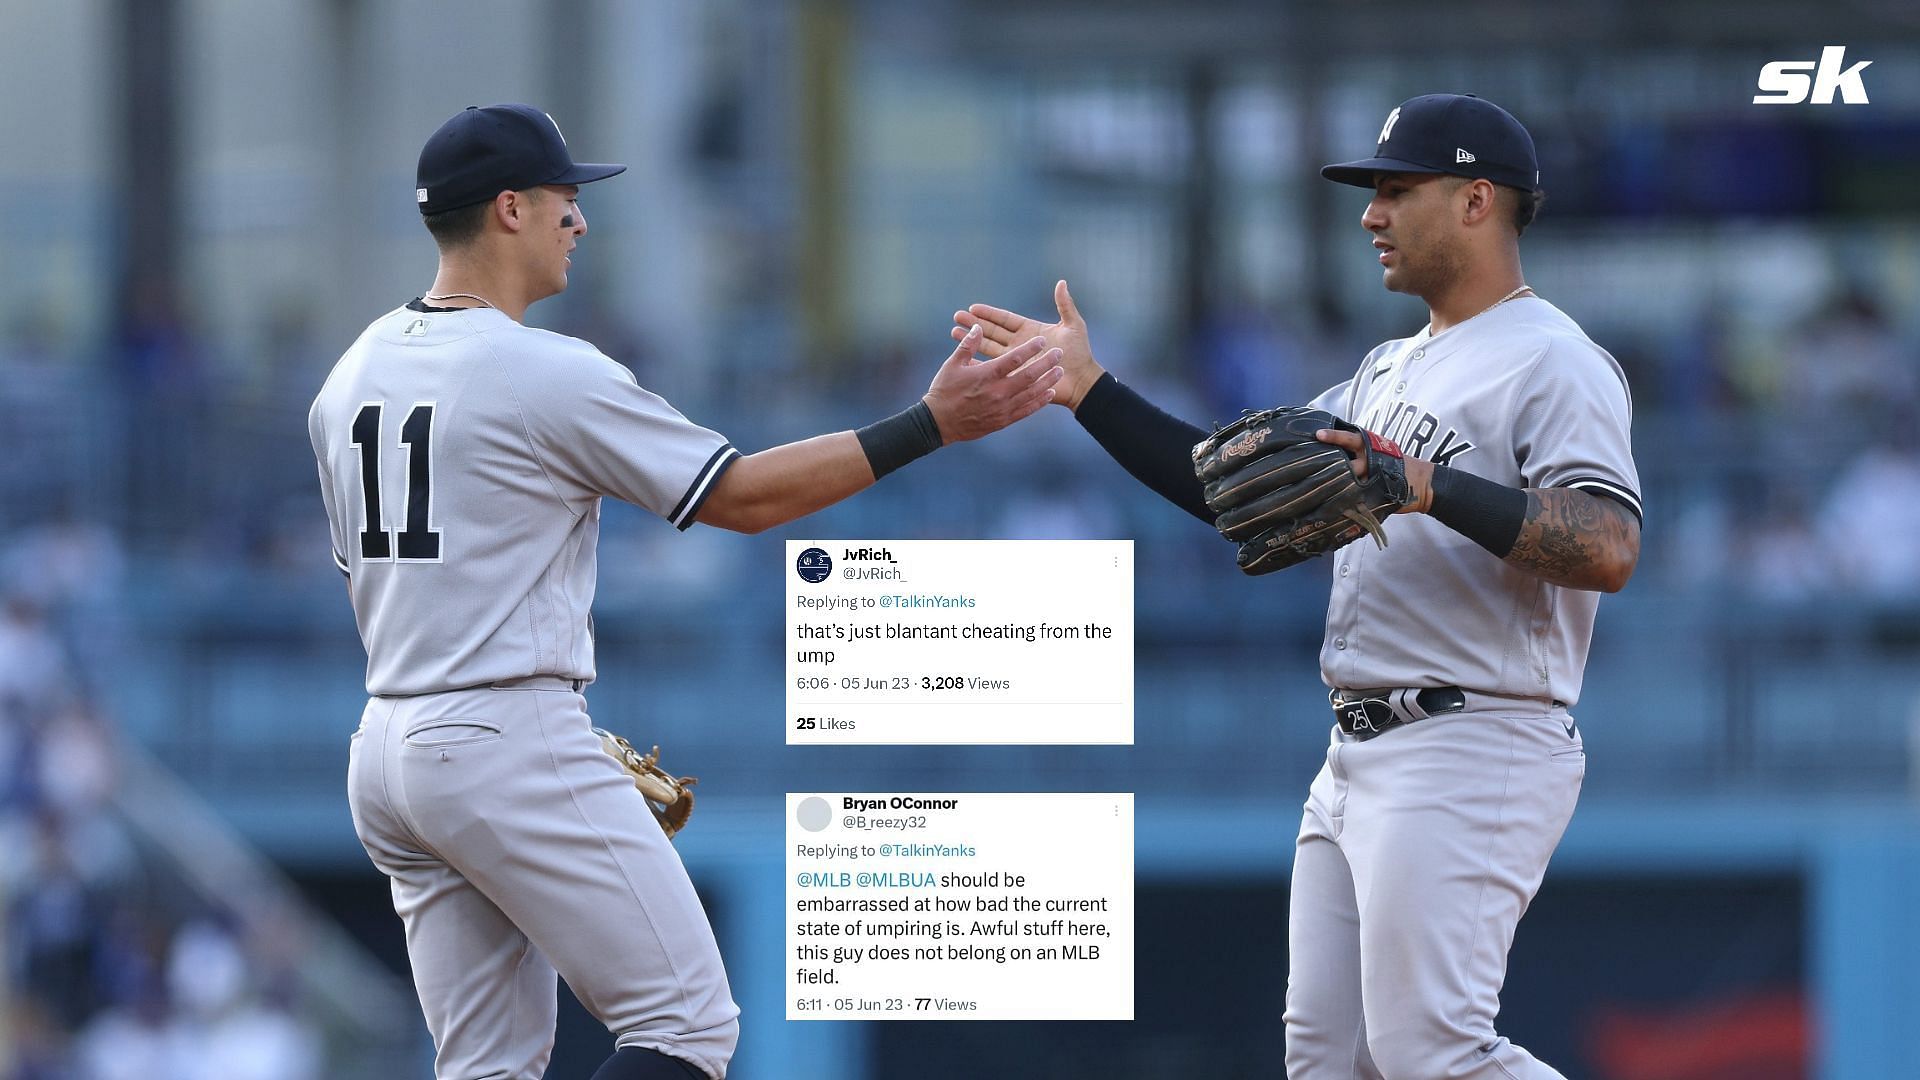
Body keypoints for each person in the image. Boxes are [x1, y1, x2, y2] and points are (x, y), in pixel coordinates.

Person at [308, 103, 1061, 1080]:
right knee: (686, 1024)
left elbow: (374, 574)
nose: (579, 221)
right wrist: (930, 424)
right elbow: (739, 497)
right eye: (563, 201)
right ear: (508, 210)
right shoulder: (540, 370)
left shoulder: (348, 375)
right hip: (502, 732)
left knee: (487, 1068)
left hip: (389, 752)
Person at [956, 93, 1640, 1079]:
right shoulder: (1386, 369)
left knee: (1432, 1054)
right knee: (1330, 1063)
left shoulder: (1556, 361)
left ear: (1477, 200)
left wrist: (1427, 484)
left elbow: (1609, 546)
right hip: (1356, 751)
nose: (1371, 214)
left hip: (1474, 730)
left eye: (1397, 190)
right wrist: (1088, 390)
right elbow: (1230, 489)